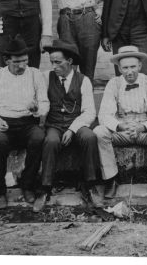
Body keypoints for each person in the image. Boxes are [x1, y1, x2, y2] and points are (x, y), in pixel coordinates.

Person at [0, 34, 48, 209]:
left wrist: (37, 110)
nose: (22, 65)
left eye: (25, 60)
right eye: (17, 62)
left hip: (27, 122)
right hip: (4, 123)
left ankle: (27, 184)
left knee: (39, 137)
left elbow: (44, 103)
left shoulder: (35, 75)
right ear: (6, 60)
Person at [34, 40, 102, 212]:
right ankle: (45, 188)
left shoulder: (83, 80)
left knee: (89, 137)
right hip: (54, 124)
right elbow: (28, 76)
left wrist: (72, 129)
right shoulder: (45, 77)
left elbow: (89, 112)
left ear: (70, 61)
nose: (54, 66)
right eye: (52, 62)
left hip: (77, 123)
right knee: (50, 141)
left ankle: (90, 185)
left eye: (58, 62)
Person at [94, 46, 147, 200]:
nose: (129, 71)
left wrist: (142, 127)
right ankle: (111, 179)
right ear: (119, 68)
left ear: (140, 66)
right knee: (99, 132)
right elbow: (104, 115)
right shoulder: (113, 83)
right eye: (125, 67)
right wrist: (120, 126)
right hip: (122, 130)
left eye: (133, 67)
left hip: (144, 129)